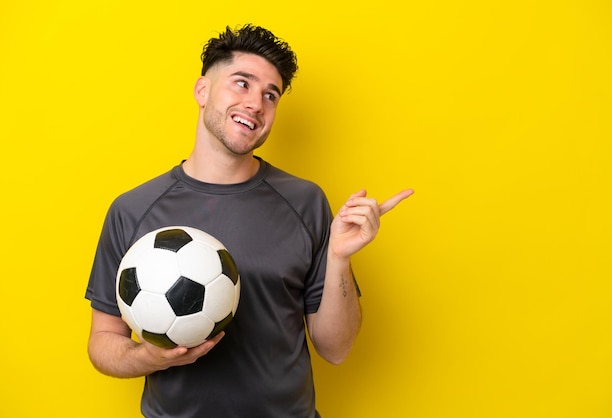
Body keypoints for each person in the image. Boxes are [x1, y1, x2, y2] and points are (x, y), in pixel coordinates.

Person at [86, 24, 413, 418]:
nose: (256, 104)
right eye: (242, 84)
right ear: (202, 91)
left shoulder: (305, 201)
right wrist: (150, 358)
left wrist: (340, 258)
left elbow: (336, 349)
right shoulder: (133, 208)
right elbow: (103, 342)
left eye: (270, 95)